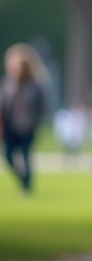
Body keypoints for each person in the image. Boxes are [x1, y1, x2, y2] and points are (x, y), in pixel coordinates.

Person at [1, 43, 49, 194]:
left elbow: (41, 107)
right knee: (8, 155)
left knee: (25, 155)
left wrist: (37, 124)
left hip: (28, 127)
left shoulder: (35, 85)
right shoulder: (8, 84)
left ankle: (27, 186)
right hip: (10, 127)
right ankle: (22, 178)